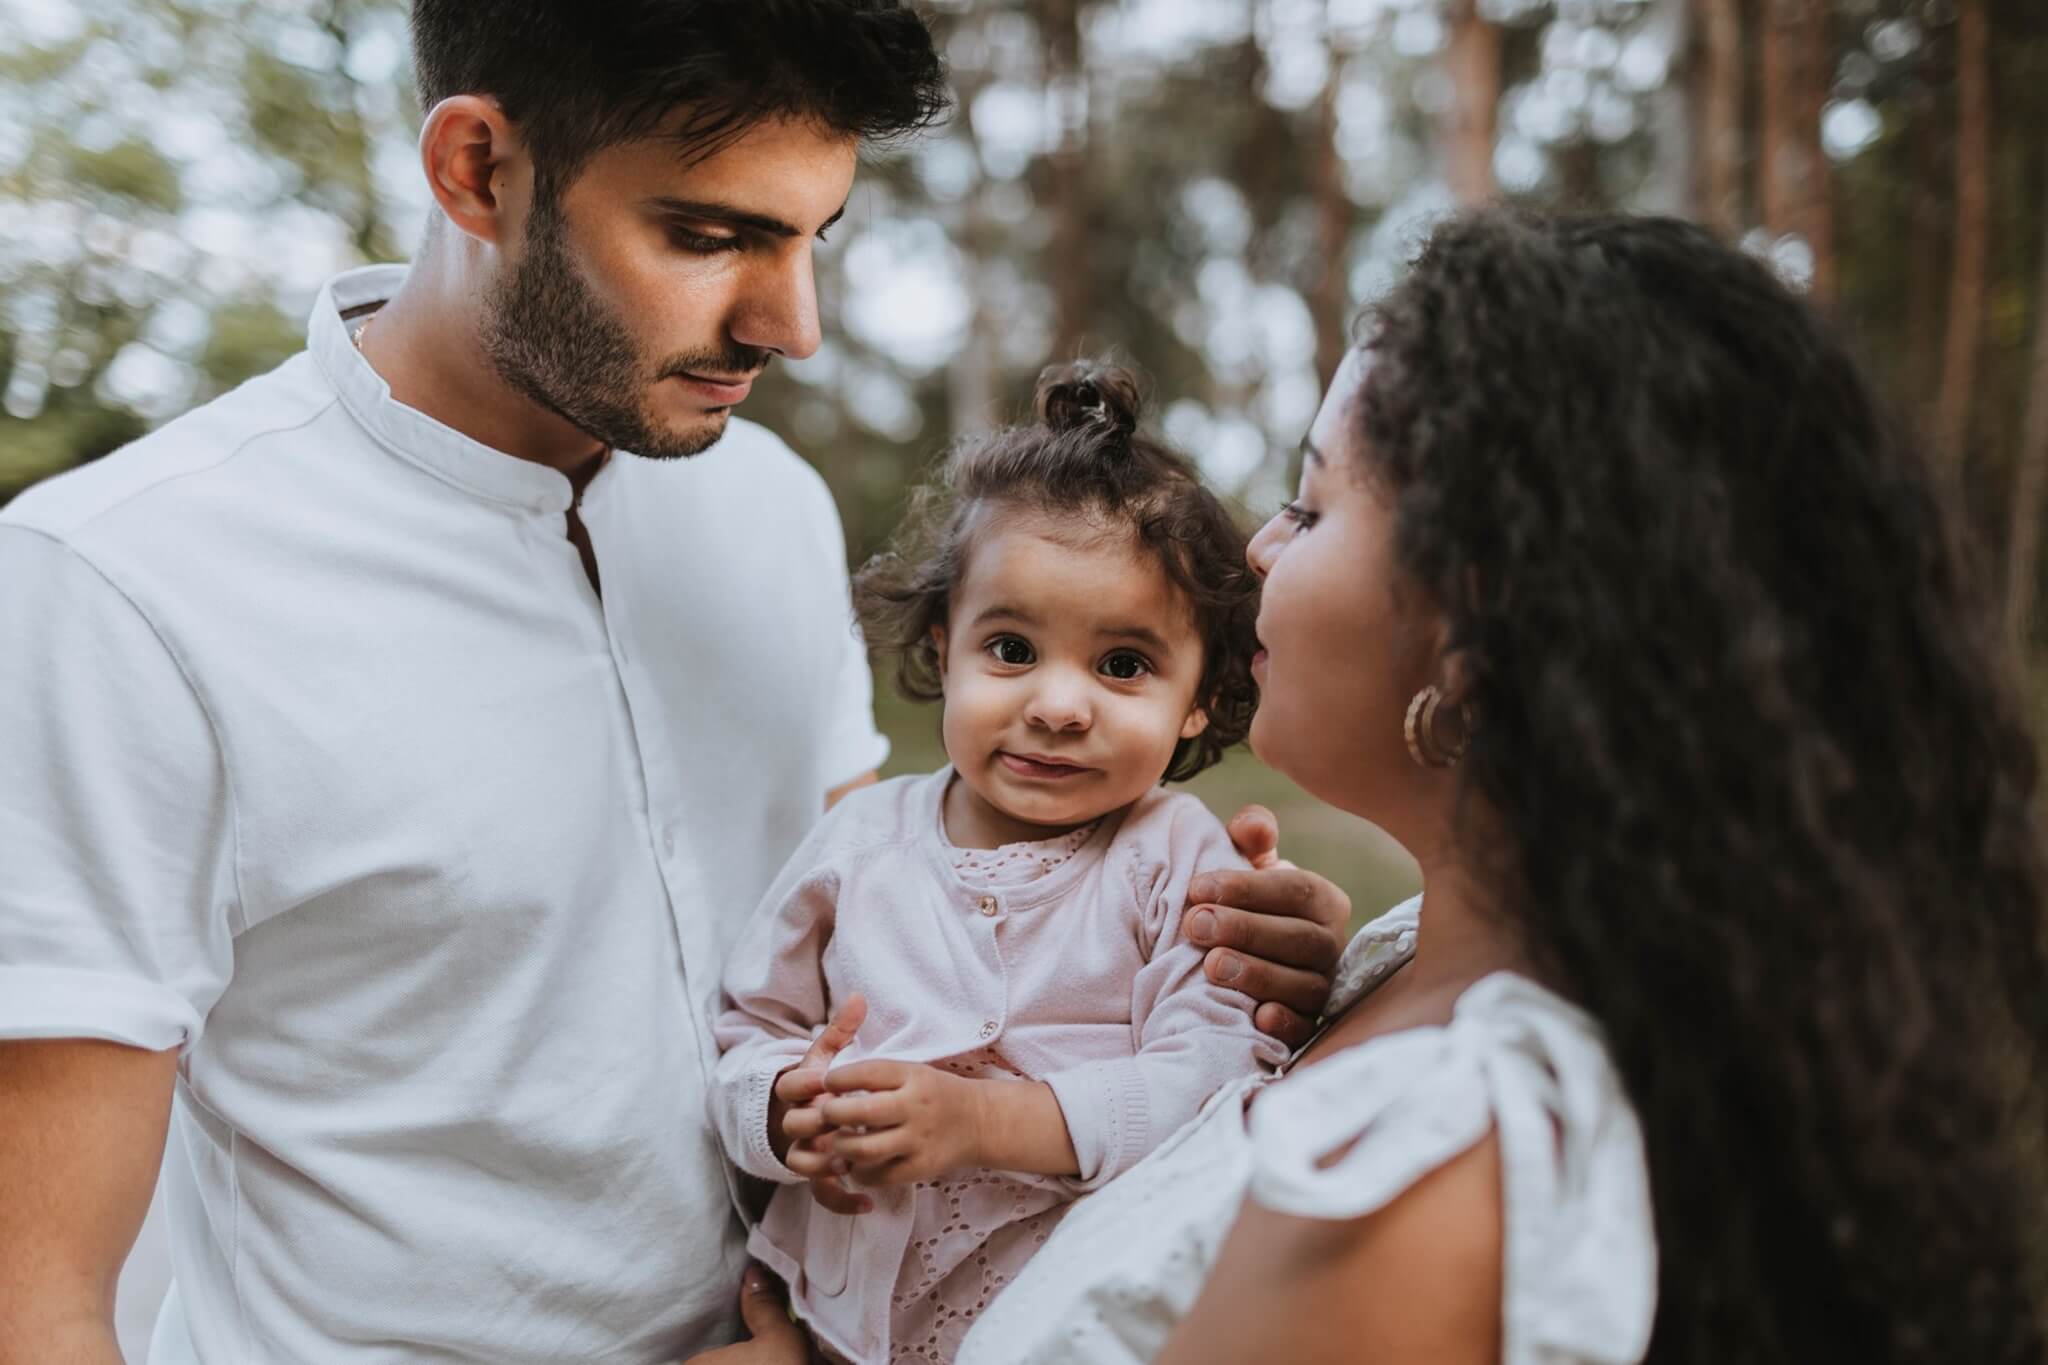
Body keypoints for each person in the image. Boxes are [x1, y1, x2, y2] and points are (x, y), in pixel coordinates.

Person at [0, 7, 1353, 1363]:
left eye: (813, 237)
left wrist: (1203, 940)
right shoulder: (119, 586)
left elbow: (871, 941)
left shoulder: (767, 502)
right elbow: (35, 1296)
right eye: (713, 237)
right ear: (477, 169)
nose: (796, 326)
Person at [974, 211, 2041, 1362]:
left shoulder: (1413, 1181)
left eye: (1315, 503)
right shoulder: (1416, 970)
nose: (1260, 551)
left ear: (1472, 622)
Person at [709, 361, 1291, 1364]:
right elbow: (748, 1027)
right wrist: (776, 1107)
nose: (1057, 706)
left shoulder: (1171, 860)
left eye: (1122, 665)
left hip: (1059, 1327)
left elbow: (1210, 1075)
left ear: (1199, 697)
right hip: (843, 1319)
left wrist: (987, 1120)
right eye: (1012, 648)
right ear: (944, 649)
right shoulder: (860, 844)